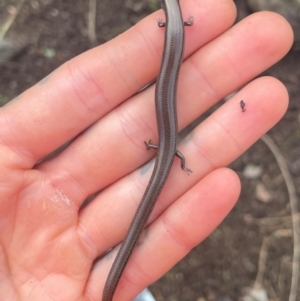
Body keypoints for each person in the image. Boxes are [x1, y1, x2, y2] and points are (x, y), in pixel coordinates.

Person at [0, 1, 293, 300]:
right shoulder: (177, 23)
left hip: (166, 147)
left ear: (168, 14)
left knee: (166, 160)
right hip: (165, 147)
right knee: (166, 158)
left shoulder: (169, 23)